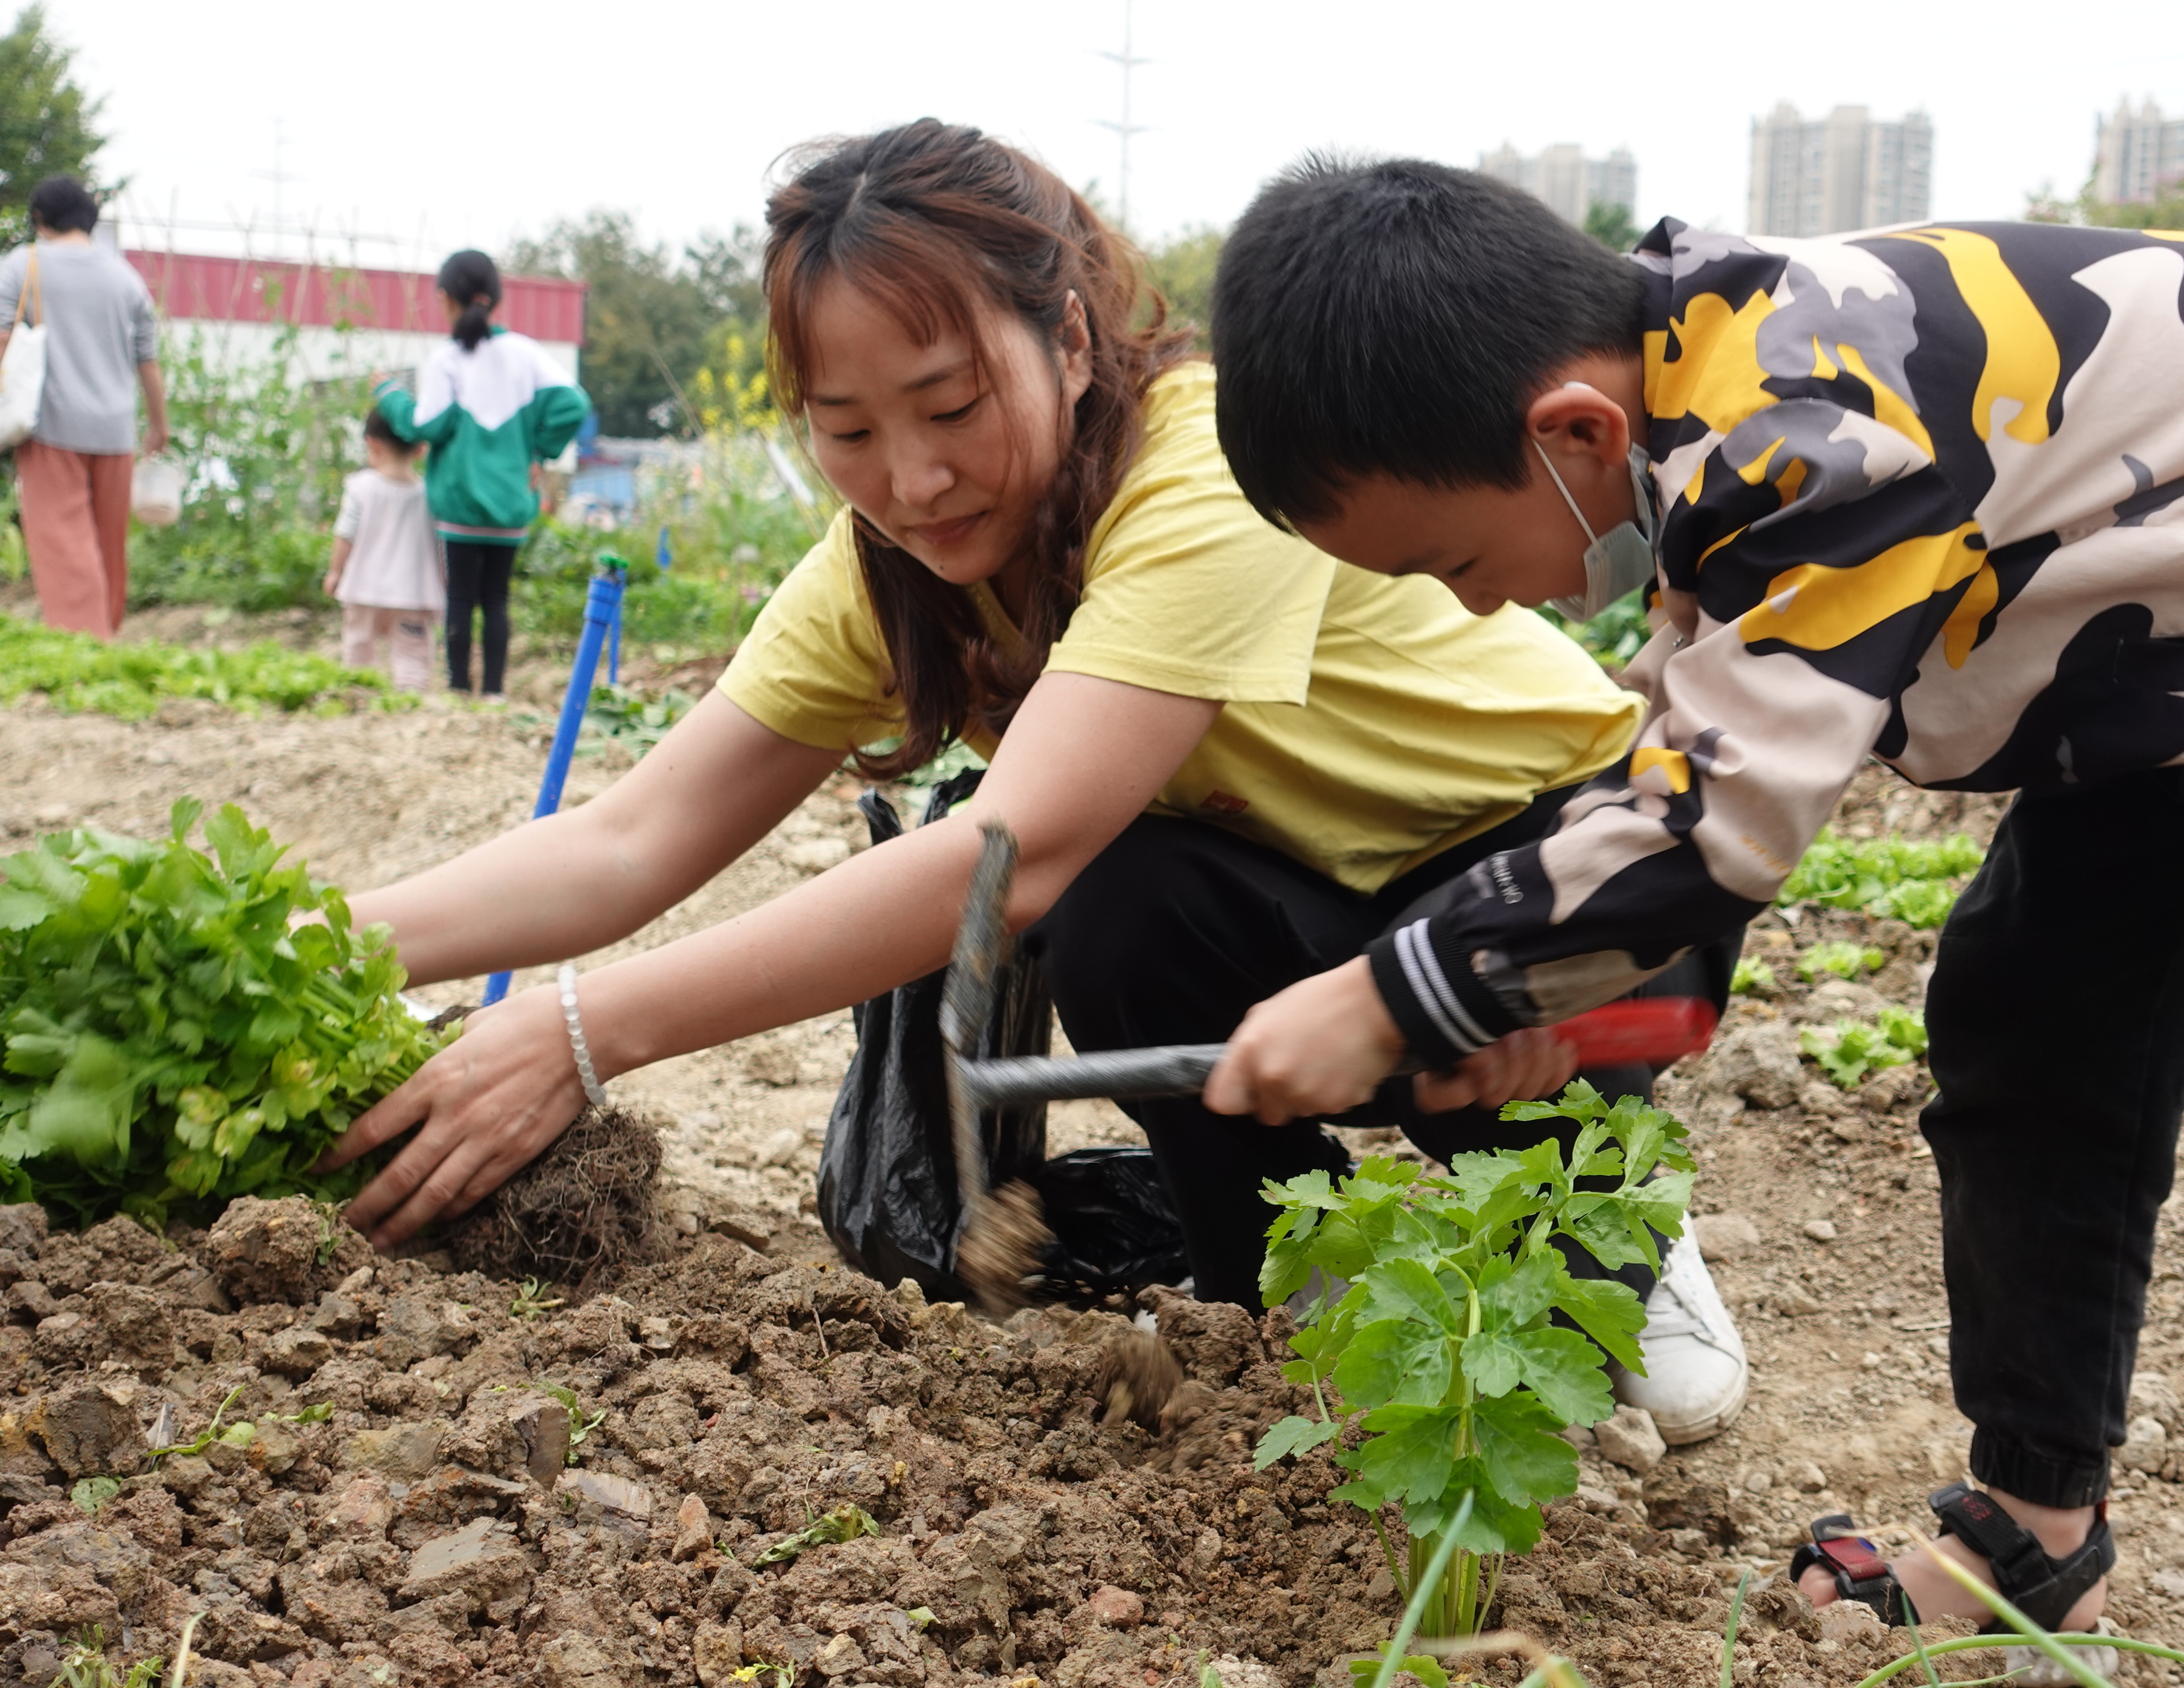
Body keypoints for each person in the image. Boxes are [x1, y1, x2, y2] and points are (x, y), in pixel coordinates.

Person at [1197, 156, 2184, 1681]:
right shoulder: (1680, 392)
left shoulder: (1806, 421)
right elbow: (1700, 758)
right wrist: (1557, 1001)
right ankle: (2033, 1530)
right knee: (2029, 1026)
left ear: (1566, 433)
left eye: (1446, 563)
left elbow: (1697, 833)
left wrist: (1390, 993)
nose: (1476, 607)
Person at [318, 121, 1751, 1441]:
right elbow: (632, 836)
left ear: (1067, 338)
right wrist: (312, 938)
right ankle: (1277, 1289)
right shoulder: (887, 574)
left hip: (1558, 864)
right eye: (851, 429)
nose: (918, 478)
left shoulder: (1210, 470)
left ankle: (1609, 1200)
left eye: (951, 405)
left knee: (1673, 1397)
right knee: (1132, 908)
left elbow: (1021, 843)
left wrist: (583, 1029)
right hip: (1303, 908)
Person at [372, 250, 589, 697]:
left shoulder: (448, 360)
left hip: (460, 504)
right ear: (496, 299)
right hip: (510, 504)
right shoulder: (527, 355)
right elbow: (575, 404)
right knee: (497, 600)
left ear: (446, 299)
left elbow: (425, 425)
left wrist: (387, 393)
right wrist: (541, 451)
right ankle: (493, 692)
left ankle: (457, 688)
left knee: (460, 600)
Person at [0, 176, 168, 639]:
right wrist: (158, 425)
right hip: (116, 432)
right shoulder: (126, 278)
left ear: (39, 219)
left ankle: (85, 645)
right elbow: (148, 362)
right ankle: (106, 634)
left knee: (64, 542)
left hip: (52, 424)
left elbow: (2, 337)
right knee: (106, 542)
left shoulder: (22, 265)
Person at [324, 407, 443, 691]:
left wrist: (335, 571)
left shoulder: (360, 487)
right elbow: (440, 545)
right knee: (413, 657)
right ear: (421, 449)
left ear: (372, 444)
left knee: (359, 648)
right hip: (412, 594)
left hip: (363, 589)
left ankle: (358, 694)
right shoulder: (430, 494)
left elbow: (345, 534)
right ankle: (409, 700)